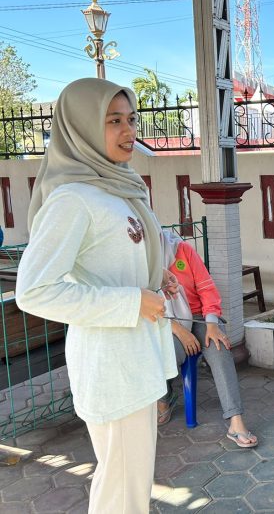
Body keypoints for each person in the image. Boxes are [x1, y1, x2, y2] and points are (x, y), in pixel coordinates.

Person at [15, 78, 178, 512]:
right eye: (113, 121)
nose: (129, 131)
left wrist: (155, 276)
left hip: (134, 357)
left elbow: (111, 259)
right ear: (82, 127)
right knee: (121, 490)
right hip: (111, 364)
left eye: (132, 119)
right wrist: (132, 302)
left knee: (131, 482)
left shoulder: (116, 186)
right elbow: (34, 291)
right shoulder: (72, 199)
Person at [157, 230, 257, 448]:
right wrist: (179, 330)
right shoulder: (142, 263)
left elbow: (206, 288)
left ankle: (236, 421)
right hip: (167, 322)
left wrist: (211, 324)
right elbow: (149, 307)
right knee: (164, 352)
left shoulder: (182, 251)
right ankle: (164, 396)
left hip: (199, 317)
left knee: (219, 347)